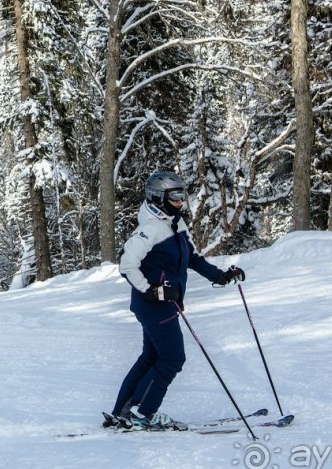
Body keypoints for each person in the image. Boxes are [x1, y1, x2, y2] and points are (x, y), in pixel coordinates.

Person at [103, 171, 245, 430]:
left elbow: (192, 257)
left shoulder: (174, 223)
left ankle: (123, 412)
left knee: (151, 357)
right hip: (154, 306)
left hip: (165, 303)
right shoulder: (150, 228)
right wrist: (151, 291)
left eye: (182, 195)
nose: (181, 201)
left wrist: (221, 276)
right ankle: (142, 413)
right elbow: (127, 264)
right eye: (176, 196)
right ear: (159, 198)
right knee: (172, 358)